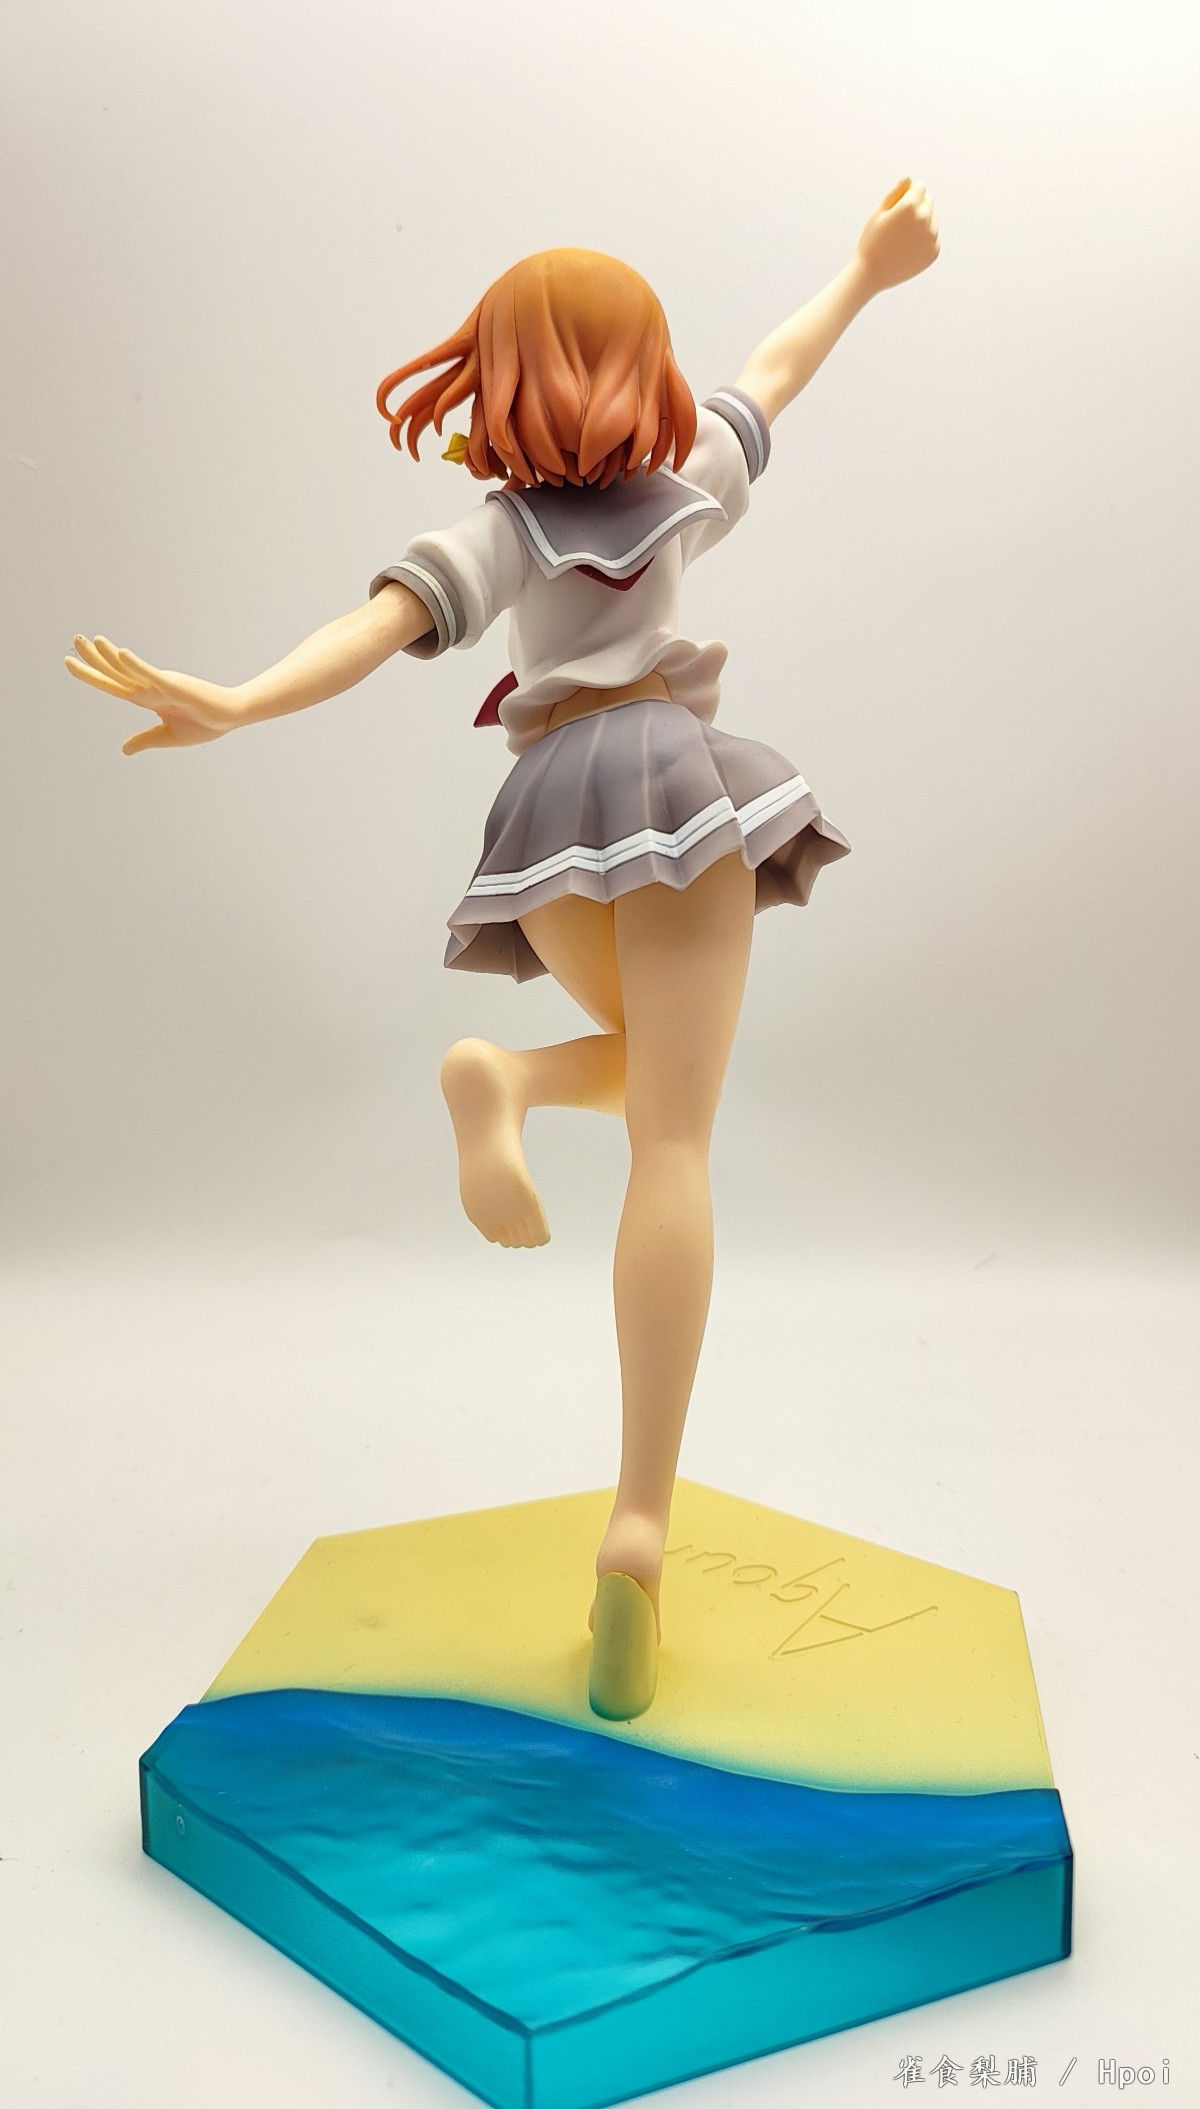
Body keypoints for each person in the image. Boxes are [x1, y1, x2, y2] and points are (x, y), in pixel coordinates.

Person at [65, 178, 940, 1720]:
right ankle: (639, 1525)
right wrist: (866, 273)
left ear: (498, 375)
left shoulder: (500, 529)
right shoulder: (690, 473)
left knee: (651, 1079)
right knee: (679, 1133)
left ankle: (511, 1077)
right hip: (678, 793)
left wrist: (238, 701)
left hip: (550, 838)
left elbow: (373, 629)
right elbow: (777, 367)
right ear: (643, 365)